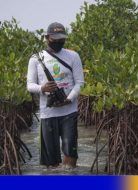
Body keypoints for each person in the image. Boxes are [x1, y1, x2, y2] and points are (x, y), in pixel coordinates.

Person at [27, 22, 84, 169]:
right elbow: (30, 85)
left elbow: (79, 83)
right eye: (55, 39)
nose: (58, 42)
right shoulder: (35, 58)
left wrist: (68, 99)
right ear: (46, 38)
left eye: (61, 39)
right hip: (48, 114)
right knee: (51, 162)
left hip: (69, 112)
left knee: (70, 155)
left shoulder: (73, 56)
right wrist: (43, 88)